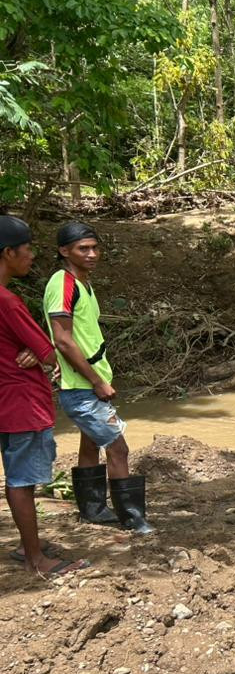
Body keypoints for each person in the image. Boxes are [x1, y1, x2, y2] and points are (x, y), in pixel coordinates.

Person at [43, 222, 154, 534]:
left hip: (84, 383)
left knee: (90, 445)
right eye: (83, 249)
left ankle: (92, 511)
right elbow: (63, 340)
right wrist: (96, 381)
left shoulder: (82, 284)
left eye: (95, 248)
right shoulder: (62, 283)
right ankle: (134, 520)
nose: (92, 254)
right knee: (118, 449)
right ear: (64, 251)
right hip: (81, 387)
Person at [0, 215, 88, 577]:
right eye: (27, 249)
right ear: (8, 252)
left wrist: (36, 349)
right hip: (21, 404)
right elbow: (52, 351)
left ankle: (27, 544)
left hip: (7, 403)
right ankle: (36, 558)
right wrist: (40, 351)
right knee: (22, 482)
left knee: (16, 477)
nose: (32, 255)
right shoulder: (8, 302)